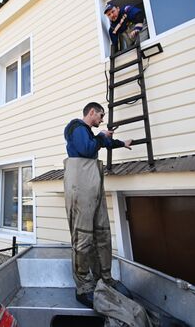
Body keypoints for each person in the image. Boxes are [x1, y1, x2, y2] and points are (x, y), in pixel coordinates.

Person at [63, 102, 132, 308]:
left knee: (101, 232)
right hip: (80, 184)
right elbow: (86, 149)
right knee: (83, 237)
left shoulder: (90, 134)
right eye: (100, 115)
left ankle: (105, 279)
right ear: (91, 112)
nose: (102, 119)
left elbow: (101, 143)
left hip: (94, 183)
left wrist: (121, 143)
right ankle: (83, 287)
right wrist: (101, 137)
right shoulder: (76, 128)